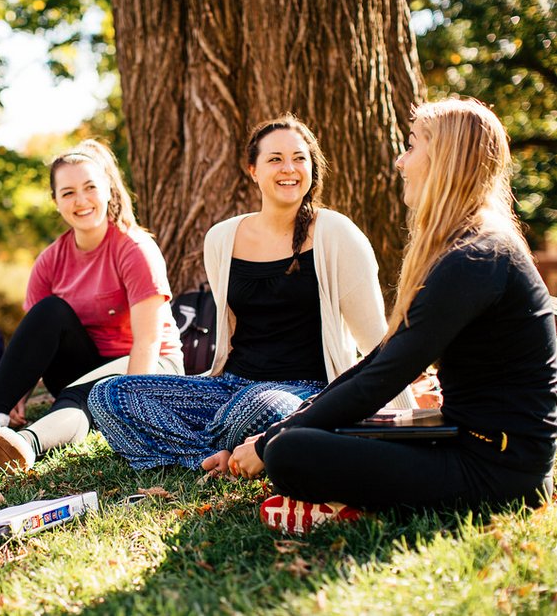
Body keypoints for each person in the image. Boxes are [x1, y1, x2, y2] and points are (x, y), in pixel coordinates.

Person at [230, 98, 557, 533]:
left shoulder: (477, 257)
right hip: (463, 440)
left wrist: (272, 442)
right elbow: (382, 358)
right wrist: (273, 433)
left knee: (292, 454)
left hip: (499, 471)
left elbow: (385, 375)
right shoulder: (467, 247)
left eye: (411, 146)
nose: (401, 161)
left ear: (444, 158)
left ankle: (353, 506)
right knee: (292, 441)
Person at [88, 115, 414, 471]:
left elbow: (374, 342)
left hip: (304, 391)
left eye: (299, 157)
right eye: (275, 159)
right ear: (253, 170)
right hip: (230, 386)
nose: (288, 168)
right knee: (108, 394)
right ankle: (210, 457)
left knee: (262, 410)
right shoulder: (222, 238)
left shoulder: (335, 234)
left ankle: (190, 446)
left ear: (312, 167)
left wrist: (409, 416)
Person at [0, 139, 184, 472]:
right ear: (55, 201)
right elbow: (36, 338)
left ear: (108, 192)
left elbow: (148, 341)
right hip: (85, 365)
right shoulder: (50, 260)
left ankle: (24, 445)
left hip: (148, 367)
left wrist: (127, 406)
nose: (81, 200)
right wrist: (19, 395)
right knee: (49, 310)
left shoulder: (134, 248)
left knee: (84, 396)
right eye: (68, 192)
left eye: (90, 188)